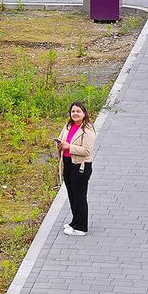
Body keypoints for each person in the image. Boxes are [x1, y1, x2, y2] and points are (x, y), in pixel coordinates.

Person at [54, 101, 96, 236]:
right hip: (68, 164)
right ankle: (75, 221)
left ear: (84, 113)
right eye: (73, 111)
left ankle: (81, 227)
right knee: (72, 194)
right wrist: (60, 145)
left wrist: (69, 147)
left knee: (79, 196)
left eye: (78, 111)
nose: (75, 114)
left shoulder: (87, 129)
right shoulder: (68, 126)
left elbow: (87, 151)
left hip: (81, 167)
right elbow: (62, 140)